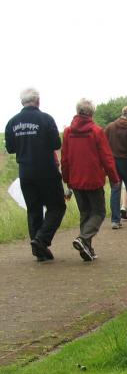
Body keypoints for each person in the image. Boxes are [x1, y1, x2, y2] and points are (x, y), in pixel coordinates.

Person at [4, 87, 66, 261]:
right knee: (57, 207)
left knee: (33, 210)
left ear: (21, 101)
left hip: (25, 172)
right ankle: (41, 239)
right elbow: (56, 143)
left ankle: (39, 251)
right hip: (46, 171)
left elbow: (10, 148)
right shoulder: (46, 119)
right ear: (38, 101)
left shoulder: (12, 122)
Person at [61, 98, 120, 261]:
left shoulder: (68, 132)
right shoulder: (96, 131)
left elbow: (64, 158)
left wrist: (67, 178)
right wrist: (114, 177)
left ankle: (86, 248)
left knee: (85, 213)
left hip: (75, 179)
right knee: (99, 212)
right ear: (92, 113)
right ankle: (83, 239)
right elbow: (106, 158)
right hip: (93, 179)